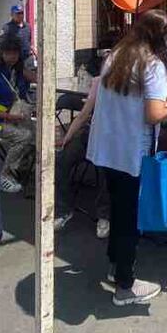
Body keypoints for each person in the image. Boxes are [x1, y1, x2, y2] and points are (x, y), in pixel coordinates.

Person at [86, 9, 167, 306]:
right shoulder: (152, 65)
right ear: (161, 36)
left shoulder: (116, 56)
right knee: (128, 218)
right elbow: (153, 113)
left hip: (107, 149)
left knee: (118, 209)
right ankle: (125, 285)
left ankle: (115, 265)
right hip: (131, 152)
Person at [0, 36, 36, 194]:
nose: (12, 56)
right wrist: (10, 117)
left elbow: (38, 78)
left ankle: (21, 169)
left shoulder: (17, 71)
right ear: (1, 54)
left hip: (13, 116)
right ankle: (4, 175)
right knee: (24, 136)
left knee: (37, 134)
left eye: (15, 53)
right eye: (8, 53)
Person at [52, 81, 111, 240]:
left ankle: (104, 216)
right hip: (90, 134)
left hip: (111, 138)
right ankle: (62, 210)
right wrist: (67, 138)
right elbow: (84, 114)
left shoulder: (129, 84)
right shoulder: (99, 82)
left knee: (108, 168)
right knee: (61, 160)